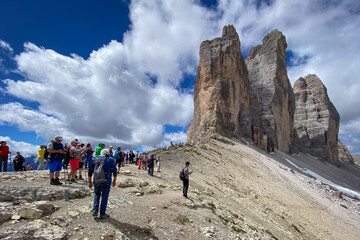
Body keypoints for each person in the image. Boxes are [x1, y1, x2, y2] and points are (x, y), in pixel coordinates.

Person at [88, 149, 117, 219]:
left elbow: (90, 171)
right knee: (104, 196)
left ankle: (95, 210)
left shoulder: (95, 159)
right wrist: (114, 180)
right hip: (106, 180)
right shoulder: (111, 159)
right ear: (108, 153)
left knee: (96, 194)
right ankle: (102, 213)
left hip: (96, 179)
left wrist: (89, 181)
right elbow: (114, 170)